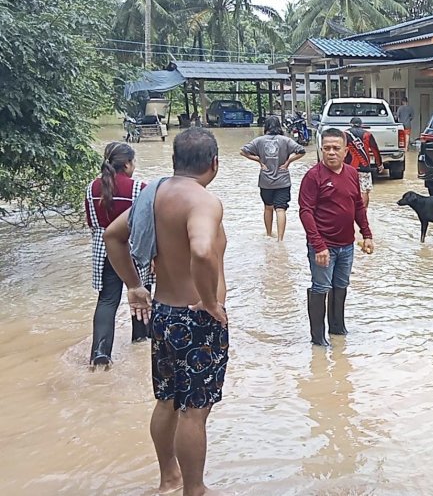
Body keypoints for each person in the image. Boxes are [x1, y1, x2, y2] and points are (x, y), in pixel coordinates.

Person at [104, 128, 229, 496]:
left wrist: (134, 285)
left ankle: (168, 479)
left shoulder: (153, 195)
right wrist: (209, 301)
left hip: (164, 312)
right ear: (214, 163)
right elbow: (203, 250)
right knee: (195, 410)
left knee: (167, 400)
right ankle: (195, 490)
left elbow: (113, 235)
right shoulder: (203, 202)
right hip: (197, 319)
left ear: (174, 161)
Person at [299, 128, 374, 347]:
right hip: (323, 246)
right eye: (327, 148)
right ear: (321, 149)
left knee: (341, 285)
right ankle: (318, 338)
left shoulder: (352, 173)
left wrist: (367, 234)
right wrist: (318, 245)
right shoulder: (313, 176)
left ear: (345, 150)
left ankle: (338, 328)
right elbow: (305, 212)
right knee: (321, 287)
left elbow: (358, 206)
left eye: (336, 148)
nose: (331, 153)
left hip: (346, 245)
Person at [84, 141, 153, 369]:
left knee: (107, 300)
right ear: (126, 164)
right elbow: (147, 224)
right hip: (134, 248)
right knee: (142, 295)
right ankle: (141, 341)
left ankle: (100, 354)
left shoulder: (91, 189)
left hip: (103, 251)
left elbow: (91, 223)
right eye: (133, 162)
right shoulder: (138, 188)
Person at [241, 115, 306, 241]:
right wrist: (288, 162)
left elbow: (243, 151)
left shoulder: (259, 141)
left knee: (268, 207)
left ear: (266, 127)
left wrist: (259, 160)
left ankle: (269, 234)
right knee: (280, 209)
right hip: (283, 180)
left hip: (265, 181)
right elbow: (301, 151)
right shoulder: (286, 140)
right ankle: (280, 239)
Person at [344, 117, 384, 209]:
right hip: (364, 167)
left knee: (349, 191)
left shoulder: (345, 134)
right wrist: (379, 164)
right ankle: (363, 213)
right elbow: (375, 150)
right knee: (364, 190)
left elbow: (341, 150)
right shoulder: (367, 134)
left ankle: (350, 212)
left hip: (348, 168)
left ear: (350, 124)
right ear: (361, 125)